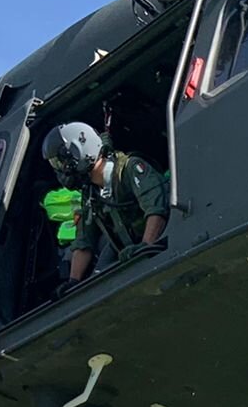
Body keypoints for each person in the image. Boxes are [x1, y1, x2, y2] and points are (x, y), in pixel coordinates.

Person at [42, 122, 167, 287]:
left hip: (161, 250)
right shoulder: (91, 193)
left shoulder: (130, 168)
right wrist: (73, 282)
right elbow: (84, 241)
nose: (62, 170)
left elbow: (157, 210)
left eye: (62, 162)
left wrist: (145, 248)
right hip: (134, 254)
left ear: (79, 151)